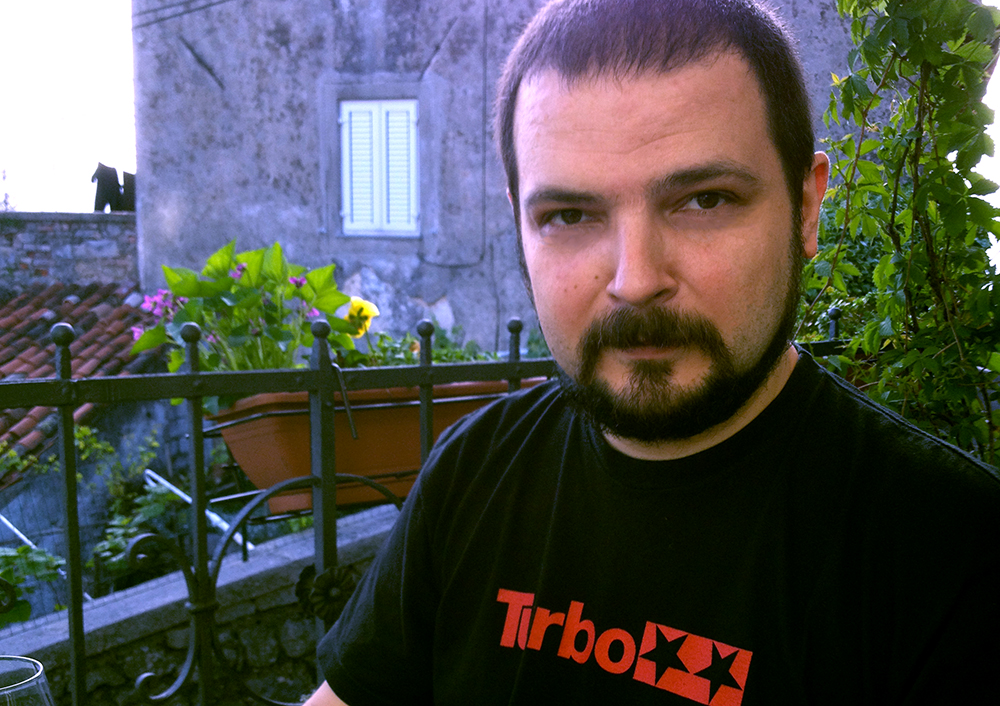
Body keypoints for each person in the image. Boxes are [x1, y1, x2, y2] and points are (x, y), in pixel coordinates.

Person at [305, 0, 1000, 703]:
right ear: (520, 223)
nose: (635, 281)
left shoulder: (948, 553)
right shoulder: (472, 474)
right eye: (569, 215)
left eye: (705, 201)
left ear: (805, 207)